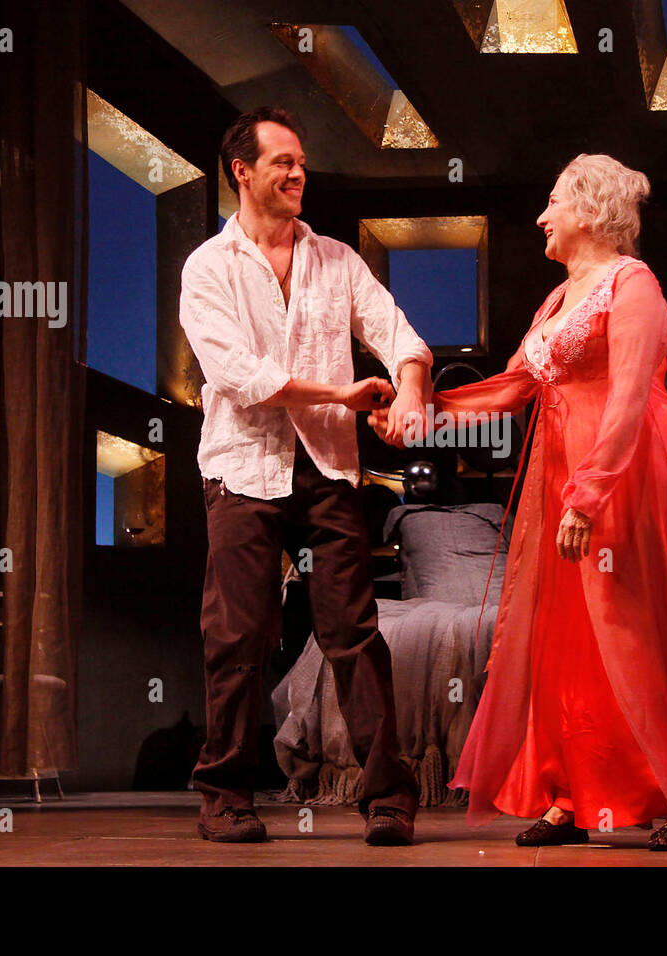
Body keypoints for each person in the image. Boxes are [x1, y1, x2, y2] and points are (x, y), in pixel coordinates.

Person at [372, 154, 667, 850]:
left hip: (626, 467)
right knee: (563, 633)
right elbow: (510, 390)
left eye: (553, 203)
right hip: (561, 470)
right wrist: (416, 412)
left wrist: (589, 496)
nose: (542, 217)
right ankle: (575, 794)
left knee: (628, 623)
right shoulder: (556, 300)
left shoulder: (632, 284)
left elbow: (632, 397)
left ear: (589, 210)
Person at [179, 106, 433, 846]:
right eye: (283, 161)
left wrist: (409, 392)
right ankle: (224, 793)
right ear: (243, 172)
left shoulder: (336, 261)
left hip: (326, 469)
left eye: (300, 162)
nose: (298, 173)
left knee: (353, 631)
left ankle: (389, 796)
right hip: (241, 469)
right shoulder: (209, 268)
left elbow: (399, 335)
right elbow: (237, 374)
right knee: (239, 634)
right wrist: (342, 396)